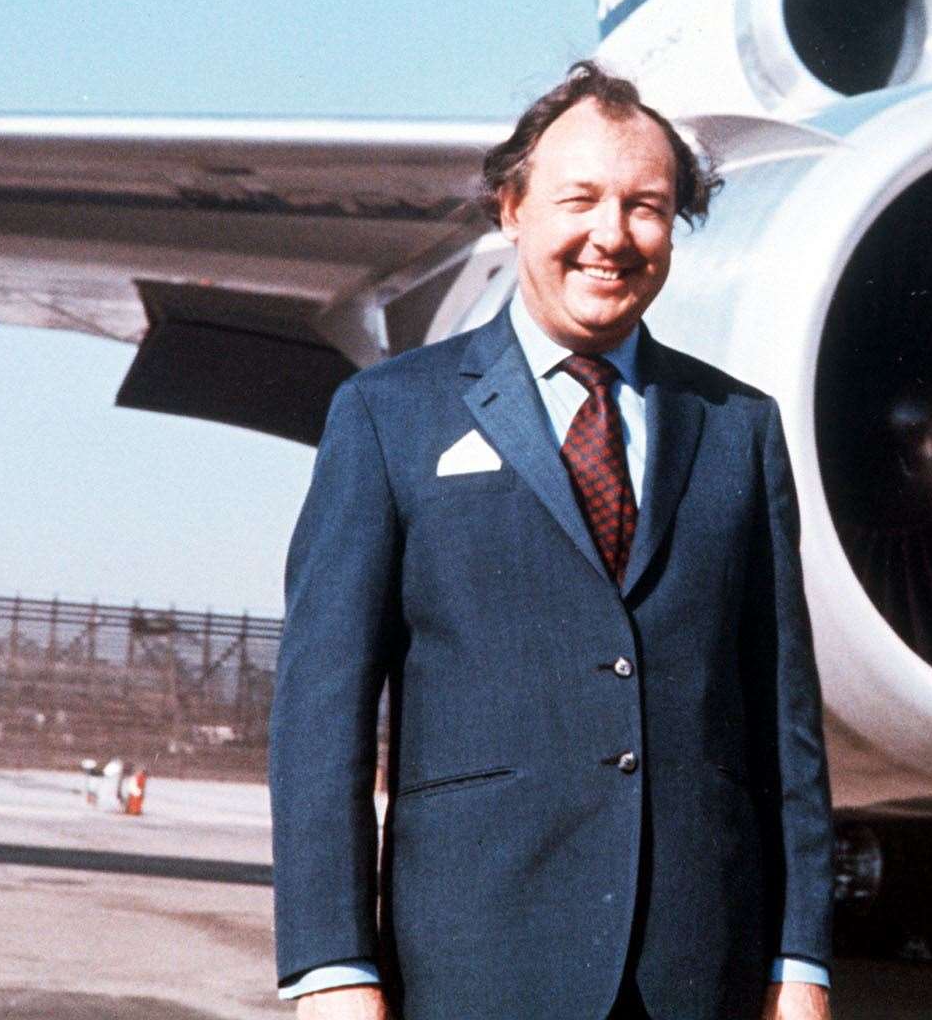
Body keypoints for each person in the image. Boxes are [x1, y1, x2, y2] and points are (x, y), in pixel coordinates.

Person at [270, 62, 834, 1020]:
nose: (610, 236)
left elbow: (784, 729)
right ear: (511, 209)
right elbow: (320, 718)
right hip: (474, 964)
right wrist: (332, 966)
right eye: (579, 200)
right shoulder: (388, 416)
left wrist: (801, 962)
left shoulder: (738, 427)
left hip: (695, 973)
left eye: (646, 207)